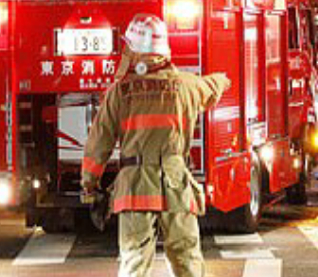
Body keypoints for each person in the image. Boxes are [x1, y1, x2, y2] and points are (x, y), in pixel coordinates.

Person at [81, 14, 230, 277]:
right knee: (187, 260)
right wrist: (223, 78)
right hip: (176, 184)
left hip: (135, 188)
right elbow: (214, 85)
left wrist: (89, 184)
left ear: (133, 49)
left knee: (135, 263)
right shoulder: (186, 85)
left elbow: (99, 143)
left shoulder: (119, 92)